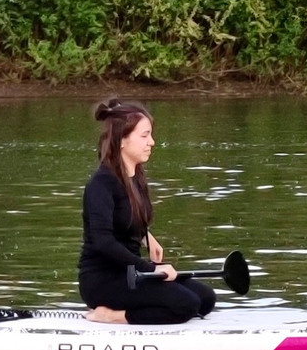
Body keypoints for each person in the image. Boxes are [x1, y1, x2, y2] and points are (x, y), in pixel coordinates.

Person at [79, 100, 216, 326]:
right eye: (144, 136)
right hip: (102, 280)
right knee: (185, 305)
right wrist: (153, 269)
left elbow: (123, 217)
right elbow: (103, 241)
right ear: (122, 139)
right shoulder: (101, 184)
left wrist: (146, 236)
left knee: (205, 299)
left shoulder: (137, 179)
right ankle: (111, 315)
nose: (152, 142)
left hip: (133, 274)